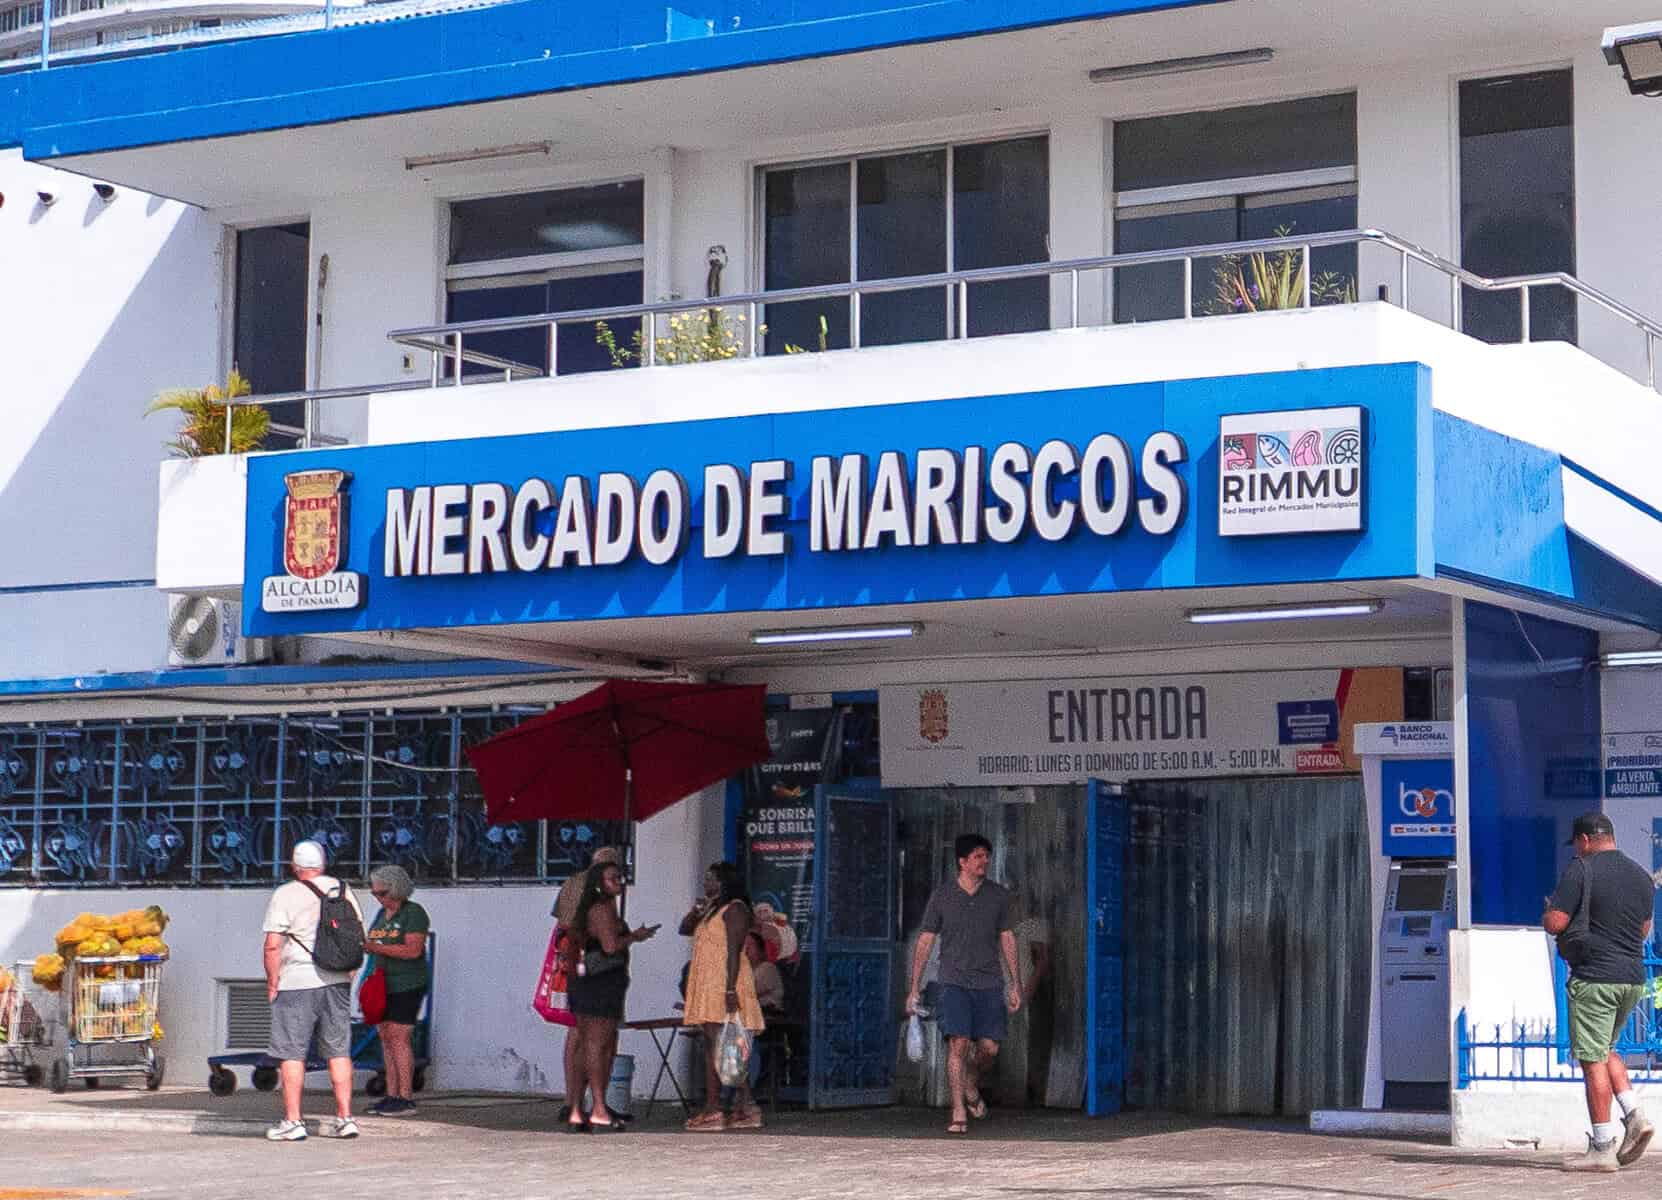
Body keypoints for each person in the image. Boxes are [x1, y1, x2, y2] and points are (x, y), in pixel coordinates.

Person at [1544, 811, 1656, 1172]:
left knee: (1591, 1061)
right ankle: (1635, 1116)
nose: (1577, 849)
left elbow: (1557, 922)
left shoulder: (1582, 868)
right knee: (1606, 1049)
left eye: (1577, 843)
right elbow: (1642, 930)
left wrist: (1550, 912)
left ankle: (1602, 1147)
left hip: (1595, 978)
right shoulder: (1640, 876)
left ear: (1586, 840)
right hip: (1631, 978)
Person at [906, 833, 1020, 1136]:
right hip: (953, 981)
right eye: (978, 857)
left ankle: (970, 1081)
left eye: (986, 856)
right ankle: (958, 1109)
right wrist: (914, 986)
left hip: (989, 982)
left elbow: (1007, 939)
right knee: (958, 1043)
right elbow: (926, 940)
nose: (984, 862)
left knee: (989, 1048)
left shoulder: (998, 896)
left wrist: (1015, 984)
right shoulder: (942, 896)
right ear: (962, 861)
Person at [261, 840, 366, 1142]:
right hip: (337, 981)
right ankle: (345, 1118)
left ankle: (293, 1122)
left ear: (295, 867)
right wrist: (348, 974)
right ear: (322, 864)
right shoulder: (342, 890)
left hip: (296, 982)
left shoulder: (285, 894)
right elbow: (356, 937)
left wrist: (272, 981)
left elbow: (272, 945)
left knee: (292, 1052)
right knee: (339, 1050)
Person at [564, 860, 657, 1132]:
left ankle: (578, 1106)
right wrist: (634, 937)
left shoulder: (590, 909)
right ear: (598, 883)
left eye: (619, 877)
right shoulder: (602, 909)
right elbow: (610, 946)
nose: (618, 882)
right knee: (598, 1045)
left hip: (587, 982)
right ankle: (599, 1106)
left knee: (591, 1043)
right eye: (612, 878)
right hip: (601, 982)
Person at [680, 861, 766, 1131]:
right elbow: (684, 929)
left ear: (726, 882)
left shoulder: (735, 909)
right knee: (714, 1045)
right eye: (706, 879)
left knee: (724, 1046)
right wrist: (696, 912)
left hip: (724, 983)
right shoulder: (711, 911)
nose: (707, 884)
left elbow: (733, 951)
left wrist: (730, 989)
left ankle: (739, 1105)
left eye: (712, 879)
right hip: (707, 982)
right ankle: (723, 1107)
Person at [553, 846, 623, 1121]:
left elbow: (562, 921)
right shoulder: (595, 893)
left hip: (578, 965)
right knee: (593, 1037)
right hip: (595, 969)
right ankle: (591, 1102)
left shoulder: (573, 884)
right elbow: (575, 927)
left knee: (579, 1033)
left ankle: (576, 1101)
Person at [362, 864, 429, 1117]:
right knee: (385, 1037)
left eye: (383, 893)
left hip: (407, 983)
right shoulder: (381, 915)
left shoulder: (413, 913)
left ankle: (406, 1096)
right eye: (376, 894)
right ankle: (391, 1094)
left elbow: (412, 950)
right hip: (382, 983)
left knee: (400, 1037)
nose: (379, 898)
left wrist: (377, 948)